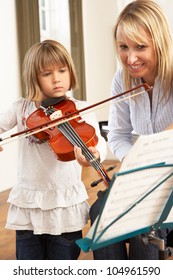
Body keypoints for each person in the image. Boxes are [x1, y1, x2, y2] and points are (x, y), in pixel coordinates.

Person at [74, 0, 173, 259]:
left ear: (160, 42)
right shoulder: (121, 79)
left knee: (144, 224)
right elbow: (118, 135)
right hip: (141, 178)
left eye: (141, 47)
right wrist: (135, 162)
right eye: (123, 47)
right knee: (100, 214)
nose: (130, 58)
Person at [0, 39, 107, 260]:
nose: (57, 78)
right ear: (34, 78)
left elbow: (98, 141)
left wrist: (95, 155)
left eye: (62, 70)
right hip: (29, 208)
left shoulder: (80, 109)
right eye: (47, 73)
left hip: (64, 209)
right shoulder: (22, 108)